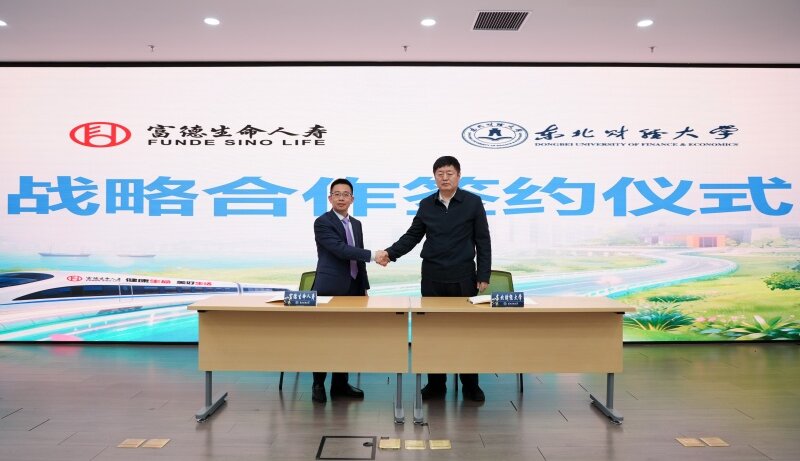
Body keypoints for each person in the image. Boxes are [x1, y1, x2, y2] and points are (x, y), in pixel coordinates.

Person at [384, 156, 491, 402]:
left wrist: (483, 273)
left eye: (449, 173)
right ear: (434, 177)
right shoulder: (426, 204)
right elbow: (412, 236)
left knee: (465, 333)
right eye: (440, 173)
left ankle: (470, 385)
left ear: (459, 176)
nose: (445, 177)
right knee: (431, 332)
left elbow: (483, 240)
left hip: (463, 277)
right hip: (432, 277)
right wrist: (390, 253)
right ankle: (435, 384)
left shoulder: (473, 202)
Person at [310, 178, 388, 403]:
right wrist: (374, 255)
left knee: (347, 337)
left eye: (346, 194)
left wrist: (363, 287)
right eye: (337, 194)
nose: (341, 198)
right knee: (324, 338)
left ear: (352, 199)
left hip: (353, 288)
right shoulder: (322, 222)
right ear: (330, 198)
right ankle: (318, 384)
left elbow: (357, 258)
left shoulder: (356, 224)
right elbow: (341, 250)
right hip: (329, 289)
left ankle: (340, 384)